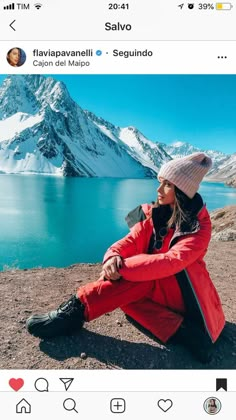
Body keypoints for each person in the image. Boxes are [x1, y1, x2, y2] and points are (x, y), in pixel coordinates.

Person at [26, 152, 225, 363]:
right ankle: (184, 333)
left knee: (132, 284)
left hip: (187, 298)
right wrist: (113, 256)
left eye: (167, 185)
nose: (158, 190)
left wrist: (122, 268)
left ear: (182, 190)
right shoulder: (156, 214)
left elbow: (172, 261)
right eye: (160, 182)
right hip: (156, 288)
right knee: (126, 299)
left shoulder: (199, 227)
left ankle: (74, 311)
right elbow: (131, 241)